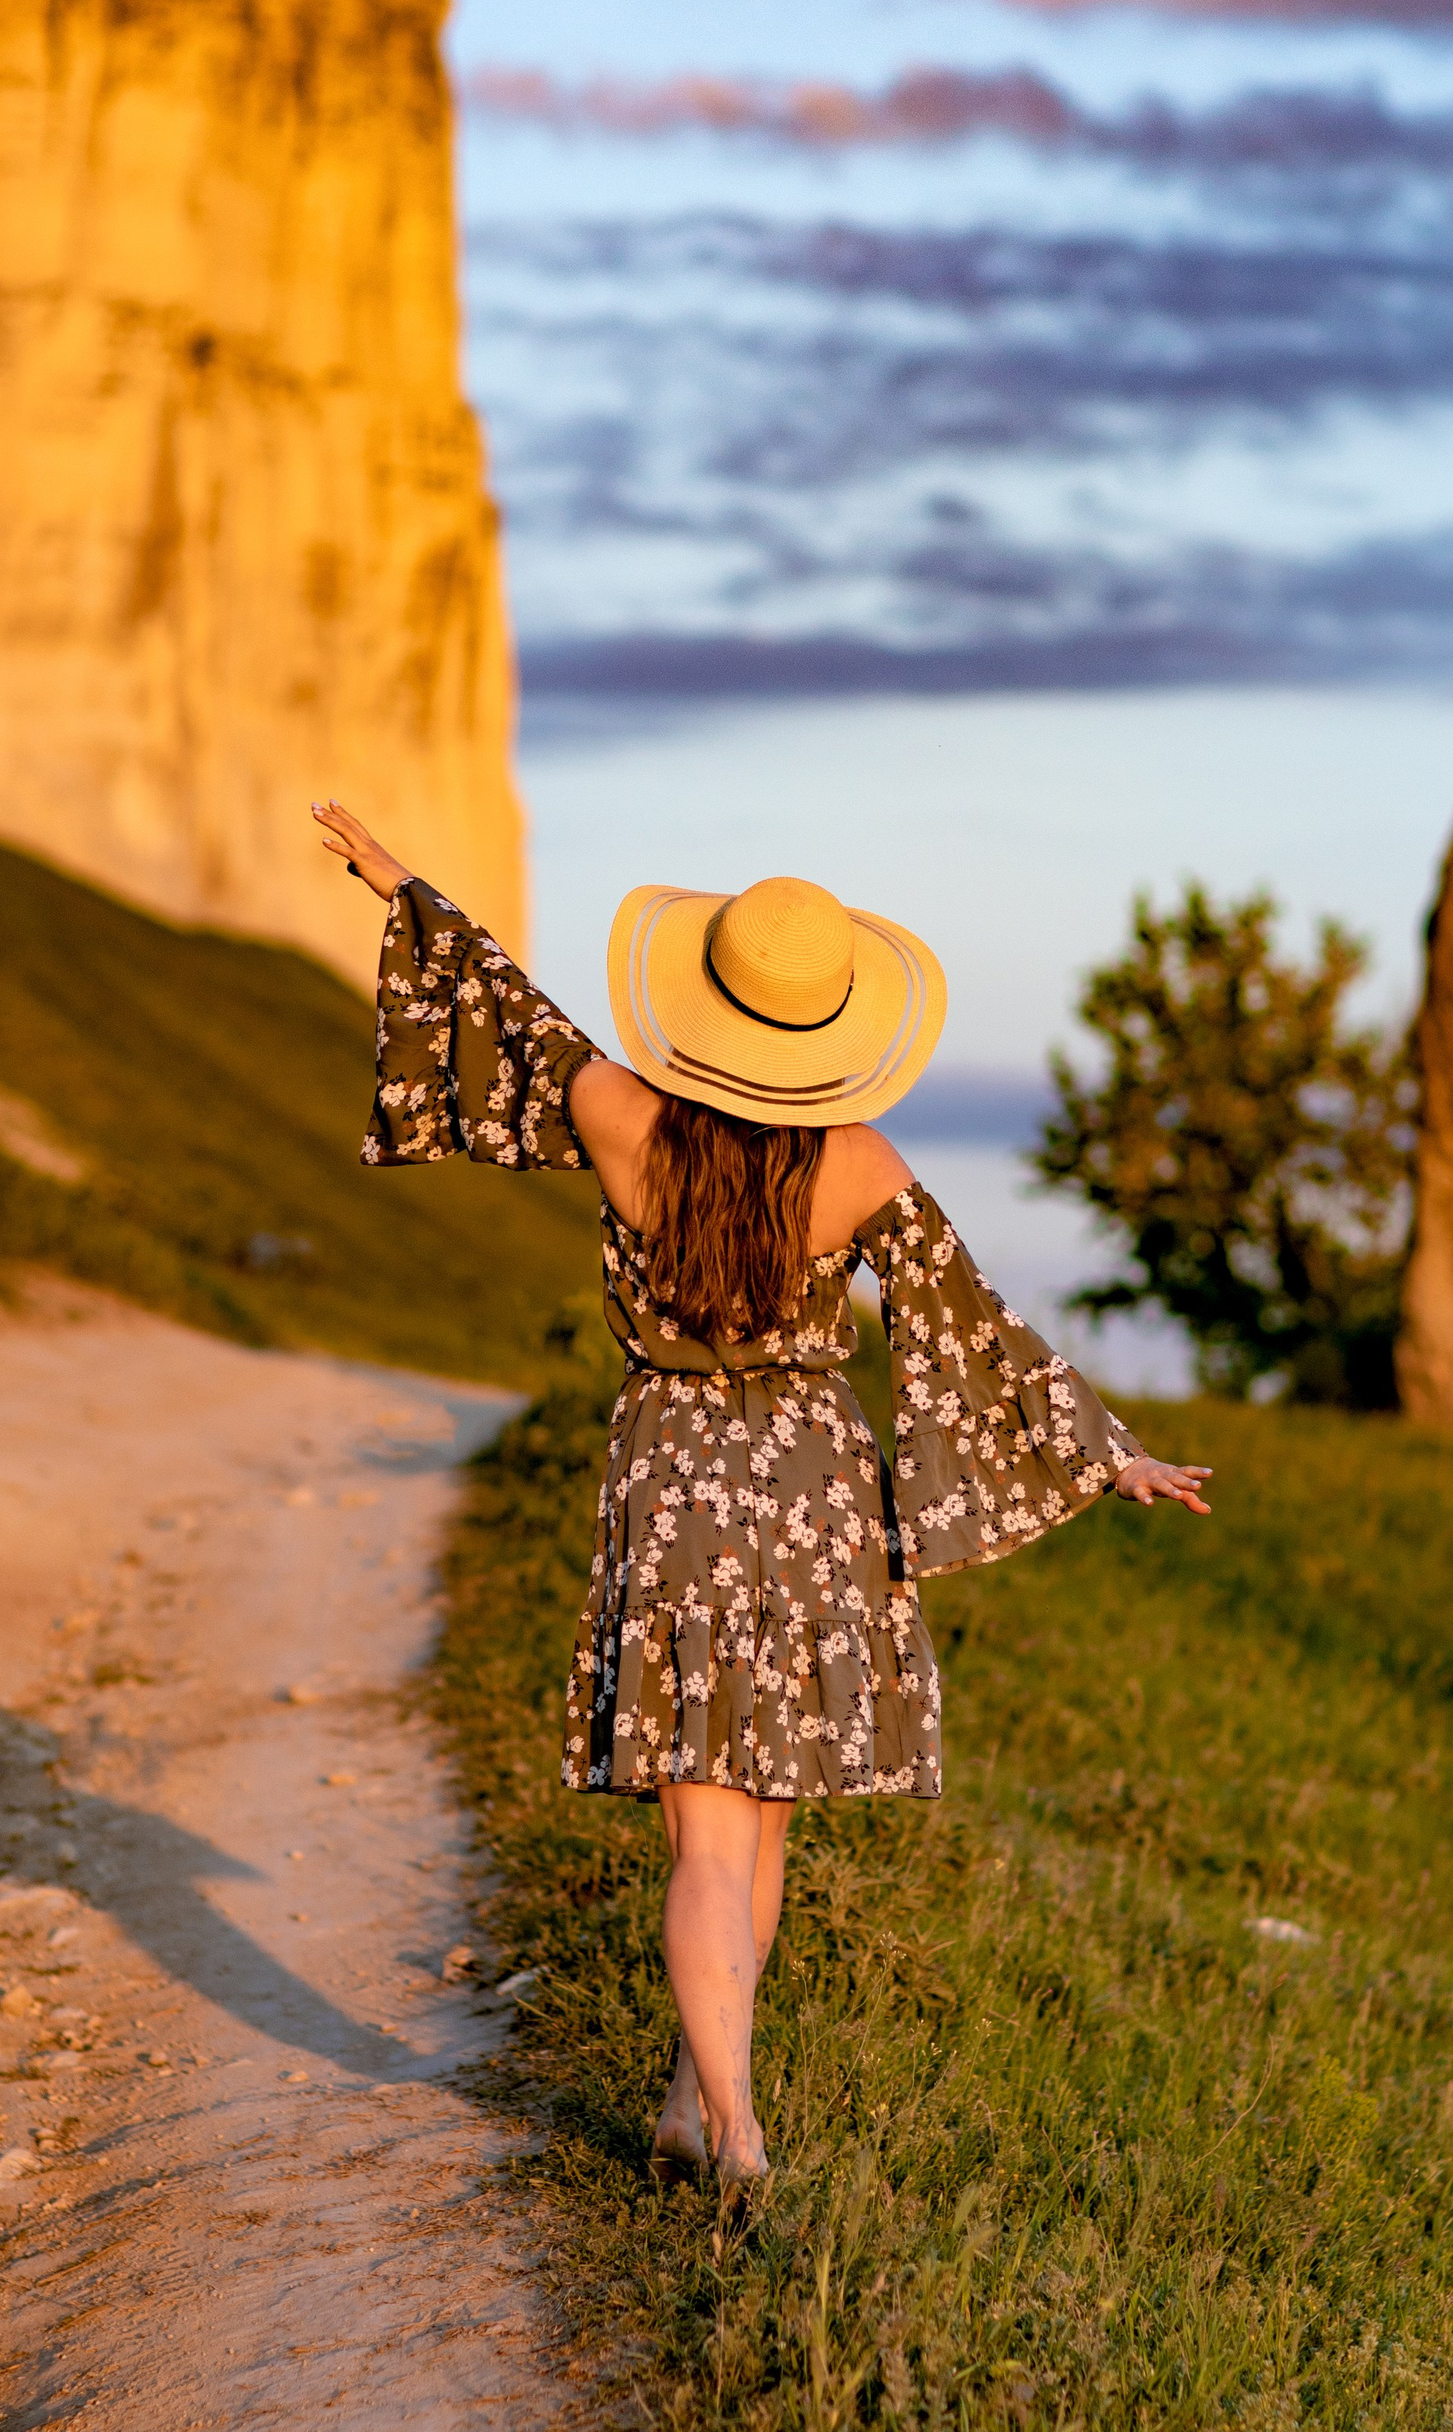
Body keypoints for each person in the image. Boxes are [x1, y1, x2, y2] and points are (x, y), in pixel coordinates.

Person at [313, 799, 1212, 2210]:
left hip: (671, 1475)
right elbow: (973, 1330)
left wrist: (398, 883)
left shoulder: (617, 1113)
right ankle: (719, 2109)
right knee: (765, 1822)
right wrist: (1109, 1452)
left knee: (708, 1839)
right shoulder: (862, 1166)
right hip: (812, 1485)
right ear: (829, 1026)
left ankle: (714, 2115)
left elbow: (501, 1003)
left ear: (707, 1004)